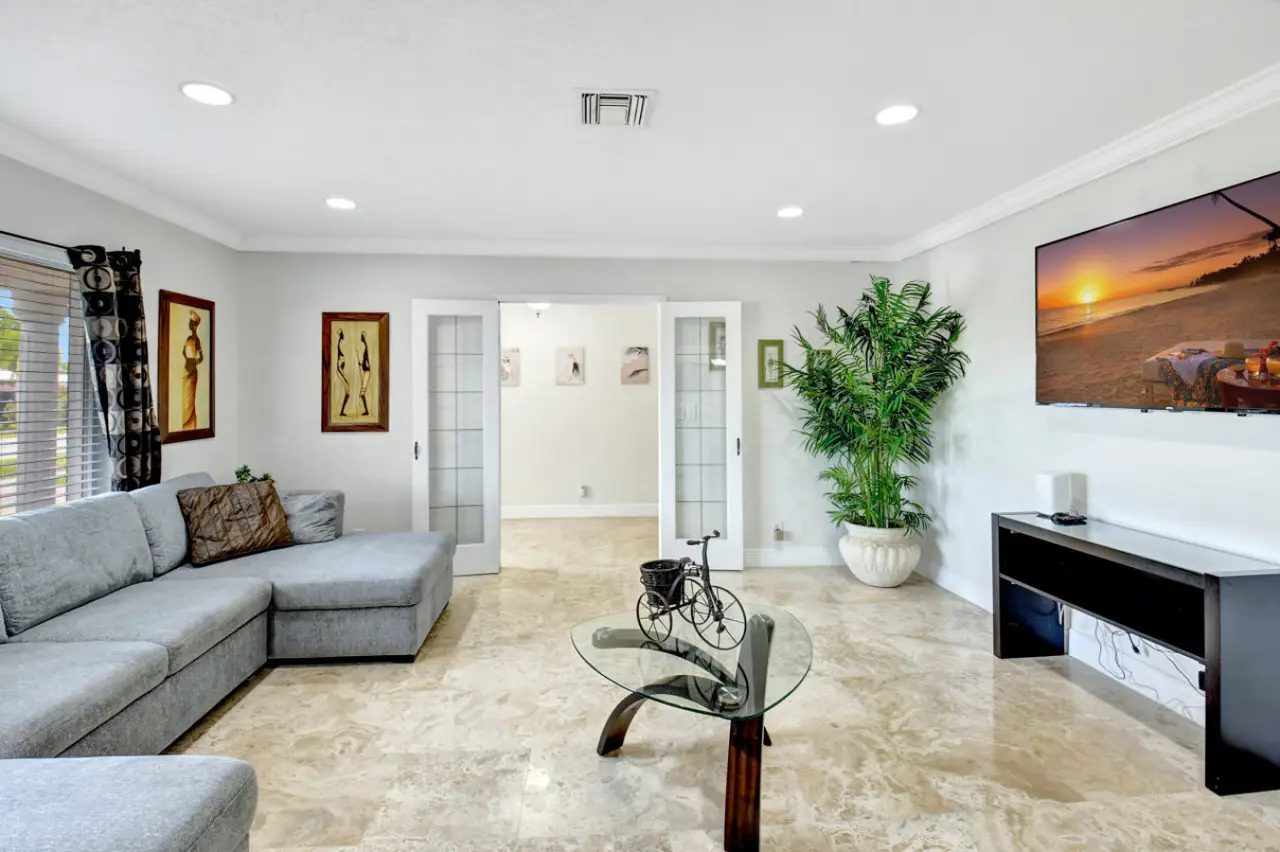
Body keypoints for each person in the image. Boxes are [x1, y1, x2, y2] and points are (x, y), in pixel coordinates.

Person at [181, 310, 203, 431]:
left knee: (190, 401)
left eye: (191, 322)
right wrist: (188, 360)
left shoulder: (196, 339)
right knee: (185, 400)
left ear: (194, 324)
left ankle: (191, 426)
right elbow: (183, 352)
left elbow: (202, 357)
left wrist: (194, 363)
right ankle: (185, 426)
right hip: (185, 370)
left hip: (192, 371)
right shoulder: (188, 338)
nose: (189, 324)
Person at [336, 329, 351, 416]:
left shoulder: (341, 348)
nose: (344, 335)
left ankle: (342, 411)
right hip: (340, 372)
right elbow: (339, 368)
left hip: (341, 372)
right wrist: (344, 377)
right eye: (342, 334)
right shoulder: (340, 344)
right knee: (347, 390)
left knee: (348, 391)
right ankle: (341, 412)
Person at [358, 331, 372, 416]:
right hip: (365, 371)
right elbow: (365, 361)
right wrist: (361, 364)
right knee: (362, 392)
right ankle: (366, 410)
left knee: (362, 392)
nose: (361, 337)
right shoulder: (365, 347)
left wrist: (365, 364)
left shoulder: (365, 346)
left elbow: (366, 362)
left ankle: (366, 411)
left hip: (366, 372)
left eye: (361, 336)